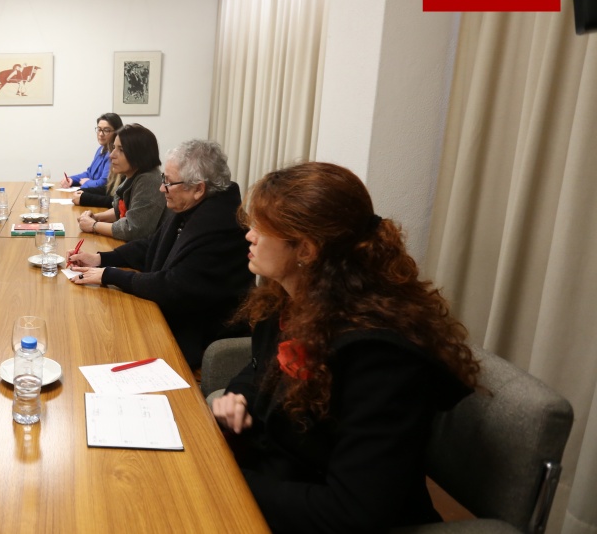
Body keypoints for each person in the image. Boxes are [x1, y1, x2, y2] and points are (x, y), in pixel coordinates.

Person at [210, 162, 480, 532]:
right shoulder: (291, 301)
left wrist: (225, 482)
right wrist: (237, 397)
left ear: (305, 248)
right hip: (281, 484)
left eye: (261, 228)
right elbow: (259, 368)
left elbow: (351, 512)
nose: (249, 237)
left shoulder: (381, 358)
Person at [68, 140, 253, 367]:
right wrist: (101, 259)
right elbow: (151, 244)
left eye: (168, 182)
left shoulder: (221, 227)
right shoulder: (193, 207)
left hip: (198, 339)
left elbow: (173, 287)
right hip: (172, 319)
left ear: (198, 189)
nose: (161, 188)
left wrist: (110, 275)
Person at [76, 123, 165, 241]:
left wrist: (93, 225)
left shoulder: (149, 181)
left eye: (121, 150)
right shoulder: (134, 174)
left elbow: (132, 229)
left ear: (139, 154)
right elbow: (122, 210)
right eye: (114, 148)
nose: (111, 155)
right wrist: (96, 217)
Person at [59, 113, 123, 191]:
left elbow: (104, 183)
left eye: (106, 130)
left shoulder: (114, 154)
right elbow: (89, 173)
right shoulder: (100, 149)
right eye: (99, 129)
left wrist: (87, 182)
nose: (101, 134)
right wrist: (71, 179)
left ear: (116, 132)